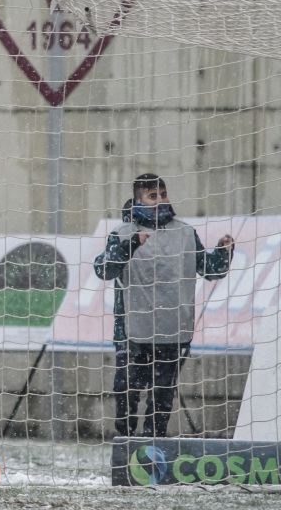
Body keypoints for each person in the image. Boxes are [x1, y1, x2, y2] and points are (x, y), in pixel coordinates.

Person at [93, 173, 233, 438]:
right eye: (152, 196)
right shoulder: (122, 233)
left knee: (161, 399)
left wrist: (223, 252)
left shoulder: (185, 233)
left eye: (163, 195)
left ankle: (152, 447)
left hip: (172, 332)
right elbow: (104, 270)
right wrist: (131, 245)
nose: (160, 201)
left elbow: (211, 270)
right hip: (132, 333)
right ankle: (125, 442)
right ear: (138, 200)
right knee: (126, 393)